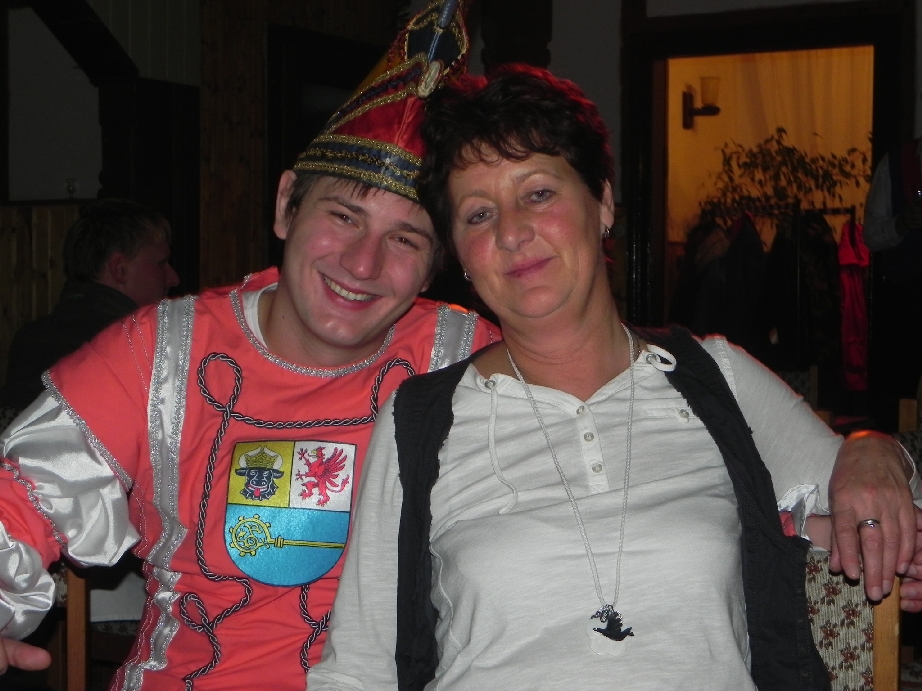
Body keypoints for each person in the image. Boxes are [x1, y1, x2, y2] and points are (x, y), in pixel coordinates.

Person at [308, 65, 922, 691]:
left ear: (602, 202)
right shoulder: (421, 420)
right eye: (478, 214)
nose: (512, 232)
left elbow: (896, 513)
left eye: (538, 194)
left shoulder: (714, 379)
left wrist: (877, 451)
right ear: (459, 254)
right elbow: (357, 669)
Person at [0, 2, 498, 689]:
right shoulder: (161, 354)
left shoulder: (465, 357)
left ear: (437, 260)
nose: (363, 262)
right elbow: (19, 496)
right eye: (343, 215)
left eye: (406, 238)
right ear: (287, 203)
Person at [0, 198, 180, 413]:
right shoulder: (137, 346)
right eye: (161, 264)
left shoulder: (28, 340)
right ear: (119, 269)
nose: (173, 278)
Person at [863, 137, 922, 430]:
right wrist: (902, 223)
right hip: (905, 299)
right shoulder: (897, 162)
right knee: (896, 398)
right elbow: (871, 235)